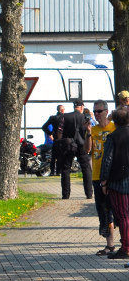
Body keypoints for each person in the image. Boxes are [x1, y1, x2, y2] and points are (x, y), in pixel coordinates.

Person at [99, 106, 129, 260]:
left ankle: (126, 247)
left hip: (118, 180)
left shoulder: (113, 137)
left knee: (123, 215)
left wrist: (104, 181)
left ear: (115, 121)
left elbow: (107, 160)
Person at [90, 101, 116, 255]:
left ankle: (124, 243)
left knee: (119, 211)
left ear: (106, 111)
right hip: (97, 175)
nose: (97, 114)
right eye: (95, 111)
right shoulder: (93, 130)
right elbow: (87, 150)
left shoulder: (114, 127)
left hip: (113, 176)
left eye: (99, 111)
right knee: (103, 210)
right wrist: (87, 133)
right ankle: (110, 244)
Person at [55, 101, 93, 200]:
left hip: (68, 145)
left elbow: (60, 131)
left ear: (74, 107)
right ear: (82, 107)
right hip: (82, 145)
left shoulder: (65, 116)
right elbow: (89, 130)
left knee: (66, 169)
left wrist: (60, 141)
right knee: (86, 169)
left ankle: (66, 194)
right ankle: (89, 194)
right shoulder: (85, 117)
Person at [41, 104, 64, 175]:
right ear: (62, 110)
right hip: (62, 139)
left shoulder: (52, 118)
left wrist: (50, 133)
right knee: (61, 156)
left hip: (55, 139)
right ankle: (59, 171)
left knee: (54, 156)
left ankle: (52, 171)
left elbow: (44, 127)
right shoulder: (64, 118)